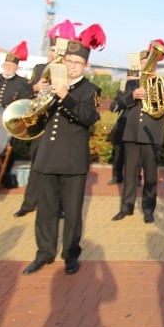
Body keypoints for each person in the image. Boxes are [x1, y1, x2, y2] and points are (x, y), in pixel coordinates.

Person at [22, 26, 104, 276]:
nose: (72, 66)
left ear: (85, 66)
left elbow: (88, 117)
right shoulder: (50, 84)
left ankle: (70, 254)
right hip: (47, 156)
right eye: (69, 61)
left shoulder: (91, 90)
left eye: (78, 63)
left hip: (72, 161)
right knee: (45, 211)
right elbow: (33, 116)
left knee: (72, 212)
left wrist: (65, 95)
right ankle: (44, 253)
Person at [111, 44, 164, 224]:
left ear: (155, 65)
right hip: (131, 135)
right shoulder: (131, 84)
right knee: (129, 174)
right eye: (143, 63)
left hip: (152, 136)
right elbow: (117, 104)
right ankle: (126, 207)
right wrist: (132, 96)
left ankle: (148, 210)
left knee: (151, 177)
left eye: (149, 63)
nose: (147, 66)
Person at [13, 39, 60, 218]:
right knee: (36, 164)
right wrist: (36, 87)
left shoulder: (65, 71)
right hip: (40, 123)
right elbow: (24, 93)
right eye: (51, 50)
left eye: (55, 51)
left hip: (56, 123)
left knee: (57, 168)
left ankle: (57, 205)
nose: (51, 54)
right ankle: (29, 203)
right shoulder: (40, 68)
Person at [0, 42, 34, 106]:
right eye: (6, 65)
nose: (8, 68)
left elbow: (22, 103)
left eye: (11, 66)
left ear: (17, 68)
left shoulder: (23, 82)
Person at [107, 80, 128, 185]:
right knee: (118, 154)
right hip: (121, 128)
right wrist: (120, 94)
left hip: (133, 128)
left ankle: (136, 177)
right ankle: (117, 176)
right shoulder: (121, 93)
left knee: (134, 156)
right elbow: (113, 108)